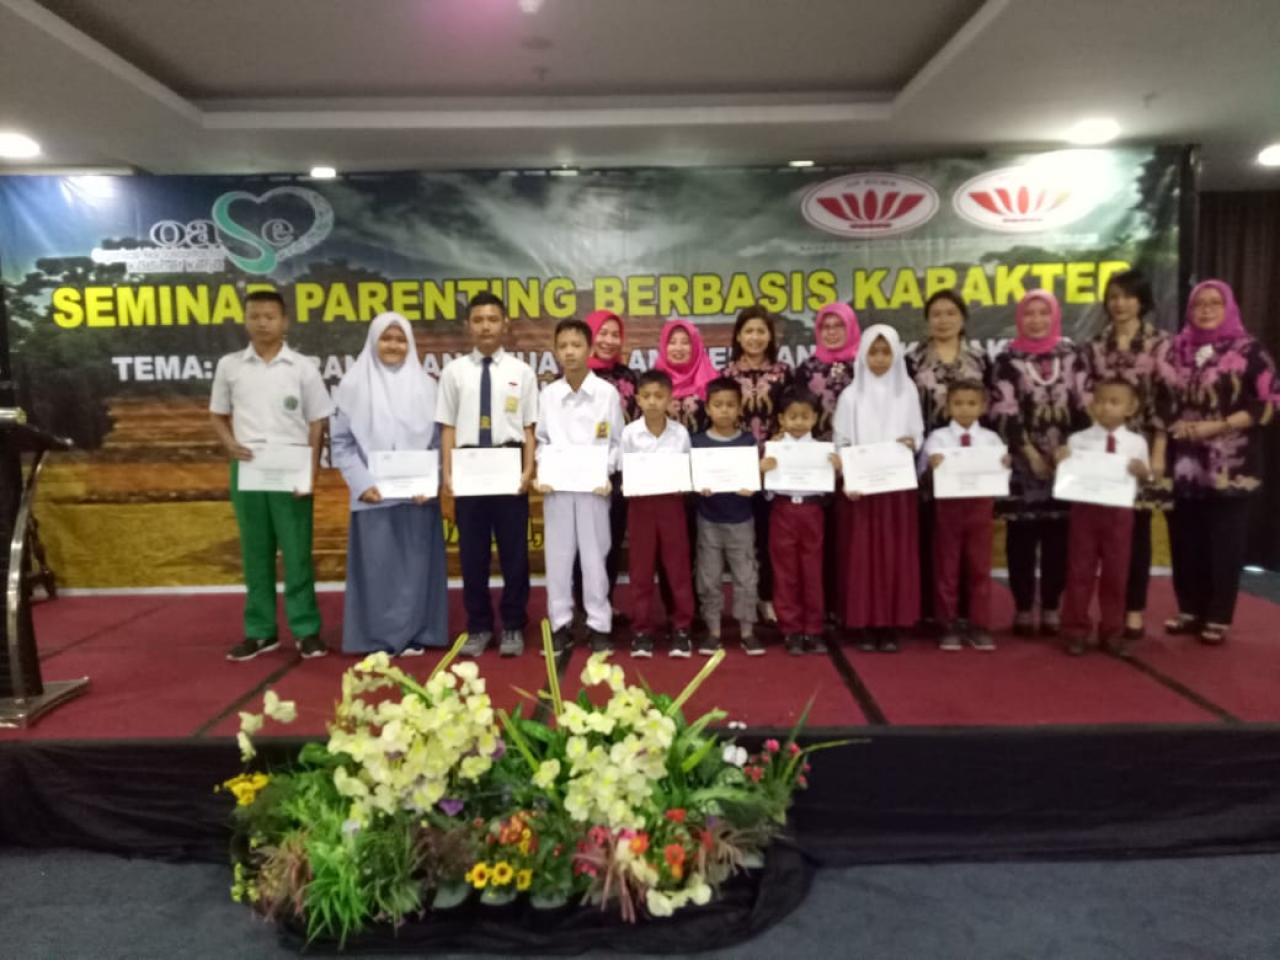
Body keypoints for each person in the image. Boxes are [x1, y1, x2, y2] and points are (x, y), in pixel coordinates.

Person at [210, 289, 331, 662]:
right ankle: (260, 631)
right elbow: (217, 414)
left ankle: (306, 630)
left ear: (285, 321)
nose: (262, 323)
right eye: (255, 316)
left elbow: (317, 422)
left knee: (297, 553)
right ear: (245, 320)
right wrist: (230, 444)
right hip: (248, 467)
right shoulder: (230, 366)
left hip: (291, 468)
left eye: (270, 316)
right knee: (255, 553)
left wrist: (310, 473)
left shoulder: (302, 367)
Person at [1165, 279, 1278, 646]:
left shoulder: (1249, 350)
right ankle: (1189, 608)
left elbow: (1268, 404)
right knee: (1186, 540)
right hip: (1184, 463)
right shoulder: (1177, 349)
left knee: (1223, 543)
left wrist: (1219, 426)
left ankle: (1217, 615)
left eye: (1215, 303)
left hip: (1231, 465)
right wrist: (1173, 422)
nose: (1206, 310)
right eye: (1199, 304)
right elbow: (1160, 397)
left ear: (1228, 308)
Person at [330, 312, 448, 656]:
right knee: (378, 570)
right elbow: (341, 444)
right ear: (373, 341)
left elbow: (438, 443)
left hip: (418, 497)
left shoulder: (428, 387)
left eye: (400, 339)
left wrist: (431, 482)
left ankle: (417, 633)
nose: (393, 345)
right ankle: (376, 639)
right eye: (386, 338)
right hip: (373, 496)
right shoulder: (352, 386)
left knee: (416, 570)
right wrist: (362, 484)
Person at [437, 292, 539, 657]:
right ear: (468, 326)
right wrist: (447, 474)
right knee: (472, 555)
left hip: (508, 466)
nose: (485, 326)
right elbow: (448, 427)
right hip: (469, 469)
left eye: (492, 319)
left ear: (505, 324)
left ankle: (513, 624)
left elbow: (529, 427)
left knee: (515, 554)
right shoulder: (454, 372)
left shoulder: (521, 372)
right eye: (478, 320)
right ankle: (479, 626)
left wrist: (528, 468)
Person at [989, 290, 1090, 637]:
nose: (1036, 320)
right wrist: (1030, 453)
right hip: (1021, 464)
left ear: (1054, 316)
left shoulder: (1072, 356)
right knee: (1021, 537)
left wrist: (1068, 448)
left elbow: (1084, 406)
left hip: (1066, 461)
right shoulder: (1007, 359)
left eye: (1042, 313)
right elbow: (1003, 410)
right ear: (1020, 318)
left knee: (1058, 539)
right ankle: (1022, 607)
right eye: (1029, 313)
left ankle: (1050, 606)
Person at [1083, 269, 1177, 640]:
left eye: (1127, 296)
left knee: (1136, 531)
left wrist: (1158, 451)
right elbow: (1084, 396)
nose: (1119, 304)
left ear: (1142, 301)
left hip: (1139, 448)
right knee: (1101, 534)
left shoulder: (1159, 343)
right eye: (1113, 297)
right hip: (1099, 448)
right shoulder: (1094, 345)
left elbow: (1166, 400)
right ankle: (1103, 614)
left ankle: (1134, 609)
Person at [535, 318, 624, 654]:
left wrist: (606, 470)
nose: (569, 352)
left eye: (576, 345)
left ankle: (599, 624)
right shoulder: (549, 395)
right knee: (558, 559)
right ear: (555, 351)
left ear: (589, 350)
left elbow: (617, 443)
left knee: (595, 559)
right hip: (557, 489)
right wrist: (543, 469)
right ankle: (560, 624)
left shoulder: (606, 394)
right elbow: (541, 440)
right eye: (563, 346)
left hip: (593, 490)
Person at [834, 324, 924, 651]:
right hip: (861, 491)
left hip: (896, 491)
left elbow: (917, 433)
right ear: (863, 354)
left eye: (886, 352)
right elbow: (842, 440)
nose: (880, 358)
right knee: (862, 556)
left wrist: (911, 443)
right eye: (873, 351)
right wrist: (849, 475)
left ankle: (890, 623)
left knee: (893, 555)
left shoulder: (907, 390)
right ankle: (863, 622)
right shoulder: (850, 395)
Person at [906, 290, 990, 630]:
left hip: (971, 462)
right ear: (927, 320)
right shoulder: (913, 360)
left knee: (972, 546)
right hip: (931, 458)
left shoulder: (980, 359)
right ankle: (934, 612)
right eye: (936, 314)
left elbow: (993, 408)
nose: (943, 320)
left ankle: (971, 613)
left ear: (963, 318)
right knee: (933, 536)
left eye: (950, 313)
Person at [1056, 379, 1151, 656]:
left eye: (1114, 402)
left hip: (1119, 514)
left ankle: (1112, 631)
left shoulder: (1136, 443)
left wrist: (1142, 472)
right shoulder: (1078, 440)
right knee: (1079, 571)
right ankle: (1075, 630)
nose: (1106, 407)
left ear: (1130, 408)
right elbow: (1067, 477)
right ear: (1091, 405)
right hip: (1085, 512)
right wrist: (1060, 461)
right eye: (1100, 401)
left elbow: (1145, 479)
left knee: (1116, 574)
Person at [920, 380, 1007, 652]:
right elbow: (923, 475)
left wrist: (1004, 466)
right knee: (947, 568)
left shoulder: (991, 440)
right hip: (948, 509)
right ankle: (947, 624)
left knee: (979, 568)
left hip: (980, 509)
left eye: (971, 403)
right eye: (958, 403)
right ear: (948, 407)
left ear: (982, 407)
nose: (965, 409)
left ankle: (978, 624)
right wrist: (932, 467)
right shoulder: (938, 439)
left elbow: (1001, 478)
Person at [722, 304, 793, 626]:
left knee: (768, 538)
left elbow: (792, 416)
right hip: (735, 468)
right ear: (738, 336)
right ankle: (742, 602)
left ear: (770, 336)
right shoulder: (726, 375)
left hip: (773, 467)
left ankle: (767, 598)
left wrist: (773, 449)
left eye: (761, 331)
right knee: (738, 540)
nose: (754, 337)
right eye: (748, 331)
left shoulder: (783, 373)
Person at [618, 370, 697, 659]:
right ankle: (642, 630)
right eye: (647, 396)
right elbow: (624, 470)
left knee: (677, 569)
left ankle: (682, 628)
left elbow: (688, 469)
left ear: (670, 399)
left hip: (672, 505)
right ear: (638, 399)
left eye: (659, 396)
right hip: (640, 506)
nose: (652, 401)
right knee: (640, 571)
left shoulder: (680, 433)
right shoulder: (629, 433)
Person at [759, 388, 837, 655]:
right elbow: (764, 487)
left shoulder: (823, 450)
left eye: (805, 416)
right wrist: (763, 471)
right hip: (783, 511)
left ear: (815, 418)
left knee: (812, 572)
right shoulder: (773, 448)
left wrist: (836, 468)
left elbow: (830, 487)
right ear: (782, 419)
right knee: (786, 573)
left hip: (812, 512)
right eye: (793, 416)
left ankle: (813, 629)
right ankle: (791, 629)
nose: (799, 422)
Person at [690, 377, 762, 656]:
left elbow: (754, 477)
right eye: (718, 405)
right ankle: (713, 631)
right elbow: (691, 478)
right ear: (708, 408)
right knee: (709, 577)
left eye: (730, 405)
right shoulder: (697, 442)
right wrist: (698, 486)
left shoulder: (748, 441)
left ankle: (747, 631)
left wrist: (752, 485)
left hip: (741, 520)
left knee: (746, 576)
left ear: (740, 408)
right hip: (708, 520)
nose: (724, 410)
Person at [584, 309, 638, 606]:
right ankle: (582, 605)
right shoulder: (574, 375)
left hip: (619, 471)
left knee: (612, 538)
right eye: (602, 333)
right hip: (581, 473)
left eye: (615, 334)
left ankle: (605, 603)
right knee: (584, 542)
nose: (608, 340)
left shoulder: (629, 377)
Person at [795, 302, 860, 441]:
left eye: (839, 325)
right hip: (817, 448)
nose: (831, 332)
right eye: (826, 327)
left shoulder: (864, 365)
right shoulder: (807, 368)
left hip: (859, 445)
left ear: (851, 327)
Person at [656, 318, 719, 436]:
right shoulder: (653, 382)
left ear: (695, 346)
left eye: (685, 342)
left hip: (705, 447)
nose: (678, 348)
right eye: (672, 342)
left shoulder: (713, 382)